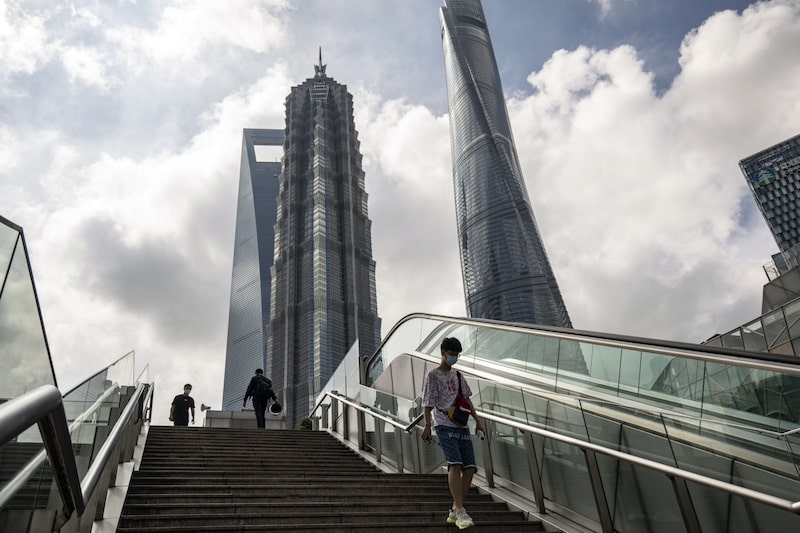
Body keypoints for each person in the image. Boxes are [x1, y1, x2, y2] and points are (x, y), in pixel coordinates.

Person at [421, 337, 485, 530]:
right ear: (443, 352)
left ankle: (455, 509)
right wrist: (427, 425)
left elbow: (467, 400)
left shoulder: (458, 376)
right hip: (443, 424)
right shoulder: (432, 376)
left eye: (456, 355)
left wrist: (478, 421)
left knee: (471, 467)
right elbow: (427, 403)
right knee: (455, 464)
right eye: (451, 354)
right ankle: (461, 510)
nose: (454, 358)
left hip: (461, 424)